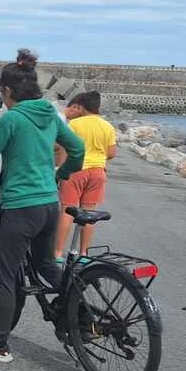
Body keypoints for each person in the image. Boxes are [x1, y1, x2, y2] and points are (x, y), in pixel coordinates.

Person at [0, 49, 85, 363]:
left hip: (21, 207)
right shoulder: (49, 115)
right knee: (46, 266)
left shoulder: (12, 119)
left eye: (0, 92)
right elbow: (77, 149)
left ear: (6, 90)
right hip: (50, 204)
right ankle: (83, 316)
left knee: (3, 275)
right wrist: (62, 174)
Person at [54, 91, 117, 259]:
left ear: (82, 107)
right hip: (98, 172)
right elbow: (111, 153)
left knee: (67, 211)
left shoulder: (74, 124)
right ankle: (83, 254)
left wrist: (59, 170)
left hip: (76, 171)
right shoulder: (107, 126)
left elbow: (62, 147)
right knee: (89, 215)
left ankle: (58, 253)